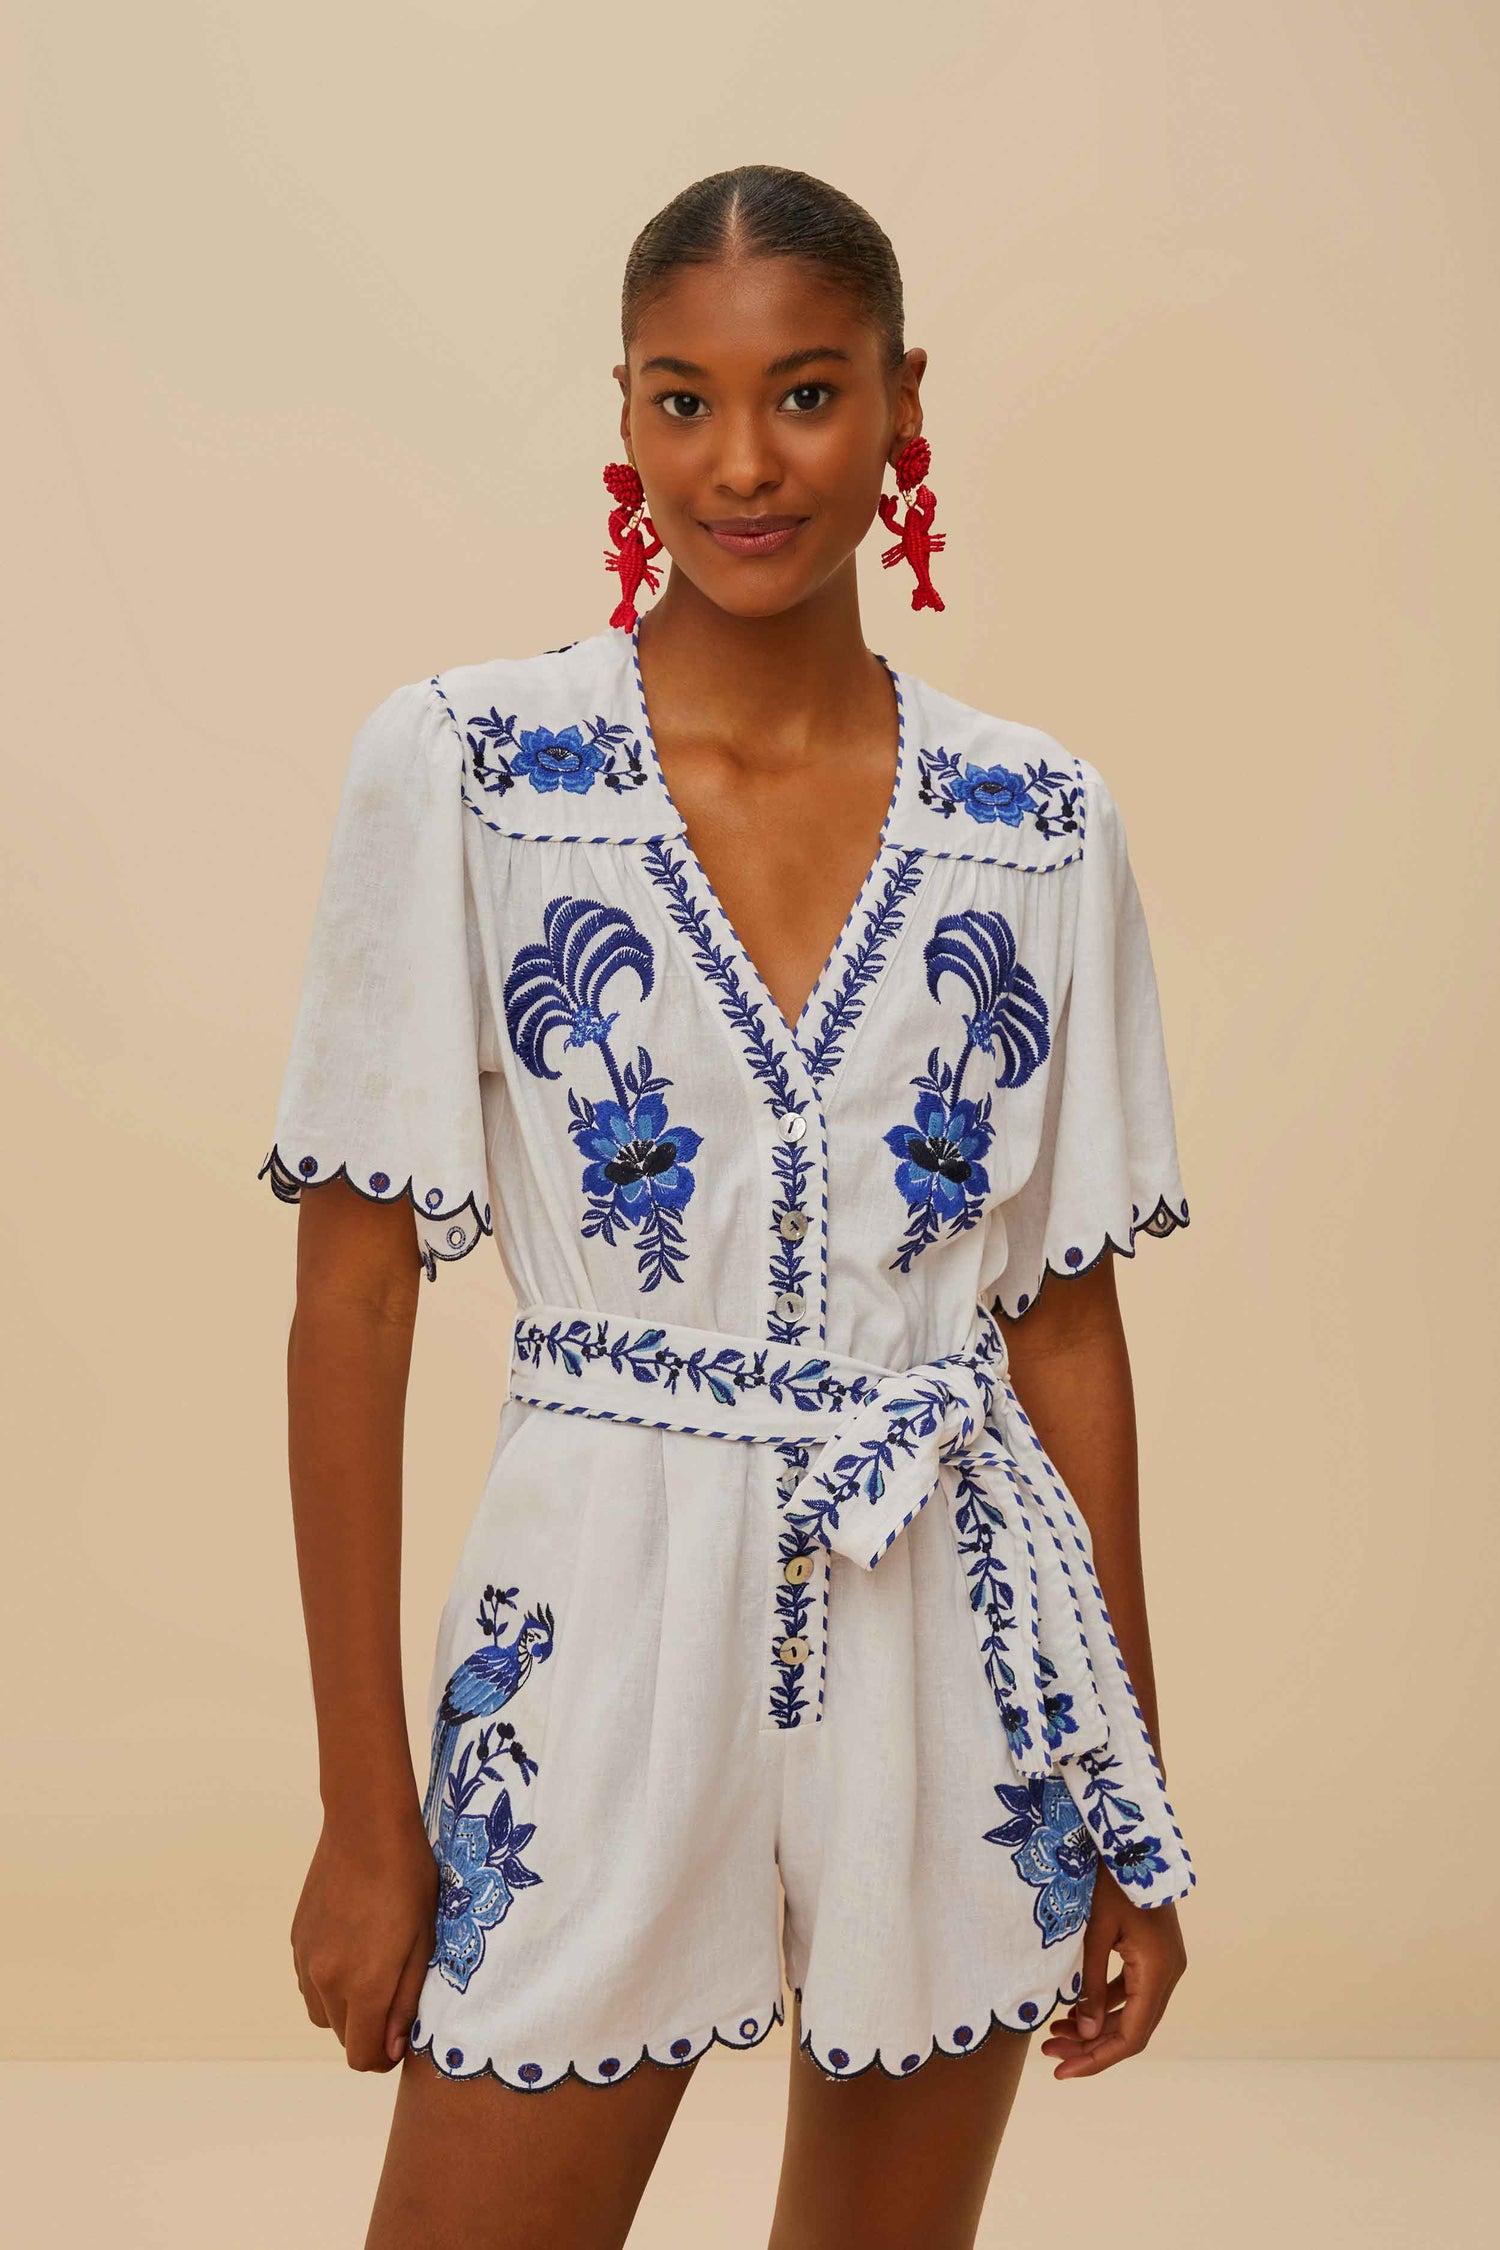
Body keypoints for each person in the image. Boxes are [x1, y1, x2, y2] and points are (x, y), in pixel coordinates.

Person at [261, 163, 1195, 2250]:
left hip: (953, 1643)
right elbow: (351, 1304)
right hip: (595, 1629)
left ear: (903, 402)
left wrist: (1128, 1802)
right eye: (682, 399)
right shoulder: (469, 770)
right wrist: (363, 1811)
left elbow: (1063, 1328)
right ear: (624, 412)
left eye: (807, 393)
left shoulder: (1039, 821)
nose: (744, 464)